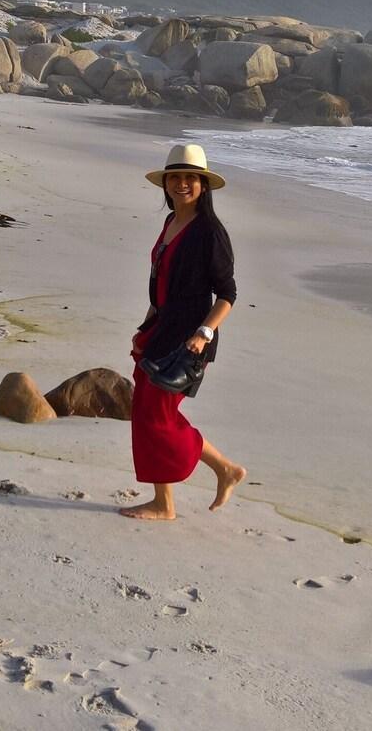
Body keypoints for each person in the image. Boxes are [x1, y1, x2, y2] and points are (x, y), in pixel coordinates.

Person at [121, 143, 248, 520]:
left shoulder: (210, 232)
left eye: (190, 178)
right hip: (161, 329)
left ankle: (167, 503)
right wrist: (145, 325)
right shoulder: (170, 222)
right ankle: (225, 470)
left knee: (154, 415)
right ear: (166, 184)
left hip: (189, 338)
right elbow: (160, 282)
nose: (181, 184)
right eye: (175, 177)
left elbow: (227, 294)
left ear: (203, 185)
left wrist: (203, 334)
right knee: (149, 412)